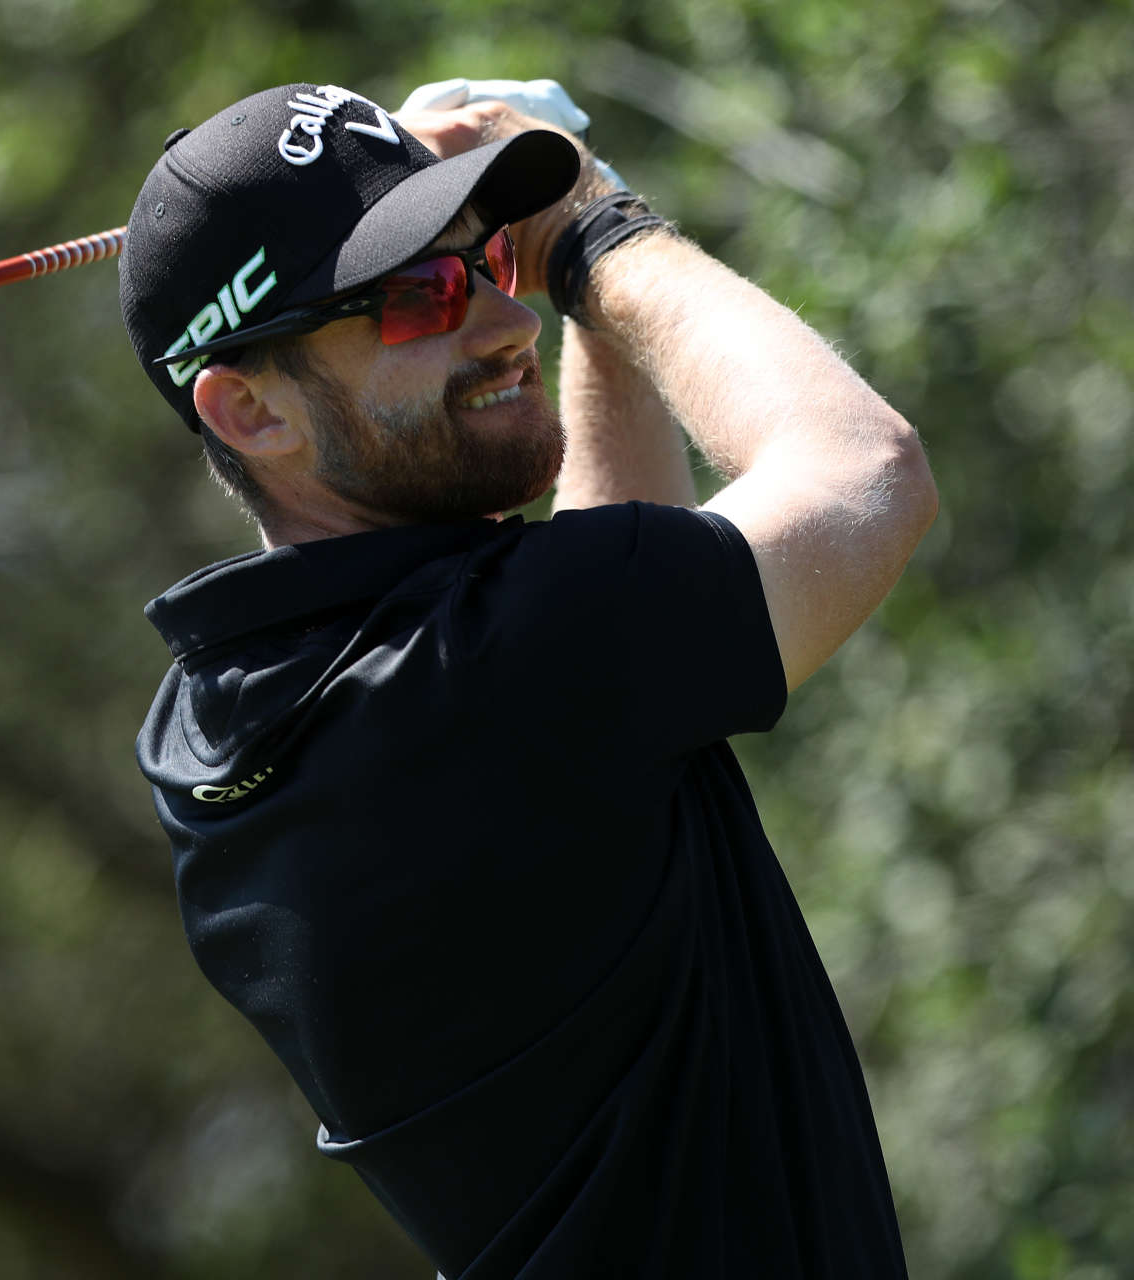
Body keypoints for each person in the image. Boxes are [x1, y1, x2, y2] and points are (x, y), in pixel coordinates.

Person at [118, 78, 936, 1278]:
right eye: (416, 298)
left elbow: (610, 626)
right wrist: (593, 227)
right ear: (248, 409)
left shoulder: (231, 723)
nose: (507, 320)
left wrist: (524, 259)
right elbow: (867, 472)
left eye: (485, 261)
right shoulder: (483, 672)